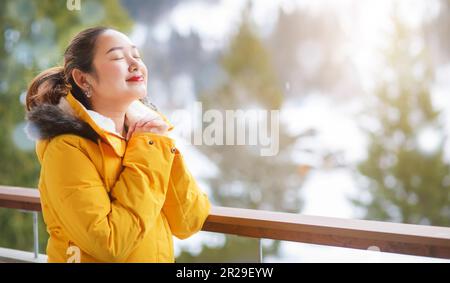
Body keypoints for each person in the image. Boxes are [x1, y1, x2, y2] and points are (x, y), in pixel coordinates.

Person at [24, 26, 211, 263]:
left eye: (137, 55)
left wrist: (158, 145)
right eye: (117, 57)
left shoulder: (147, 135)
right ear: (83, 79)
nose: (134, 64)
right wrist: (148, 151)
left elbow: (189, 221)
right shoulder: (67, 149)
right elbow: (110, 244)